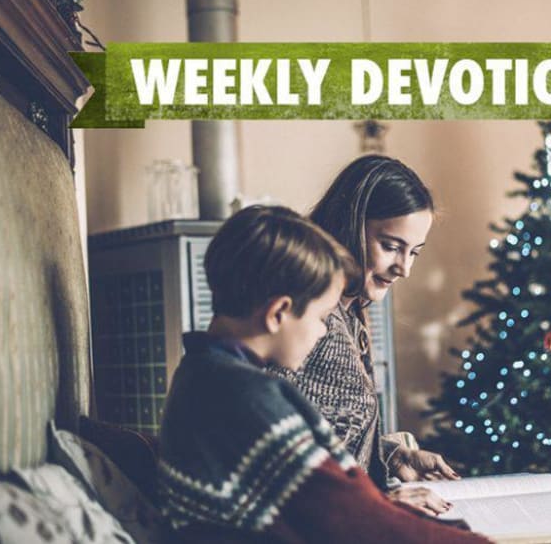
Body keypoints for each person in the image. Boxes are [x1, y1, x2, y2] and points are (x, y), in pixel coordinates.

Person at [157, 205, 491, 543]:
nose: (321, 333)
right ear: (279, 313)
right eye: (320, 318)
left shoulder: (199, 374)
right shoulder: (247, 397)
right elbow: (351, 520)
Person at [267, 155, 459, 517]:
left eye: (414, 252)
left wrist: (391, 456)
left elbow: (328, 437)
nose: (404, 268)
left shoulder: (350, 313)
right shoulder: (306, 321)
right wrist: (380, 502)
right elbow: (273, 462)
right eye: (390, 246)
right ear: (349, 225)